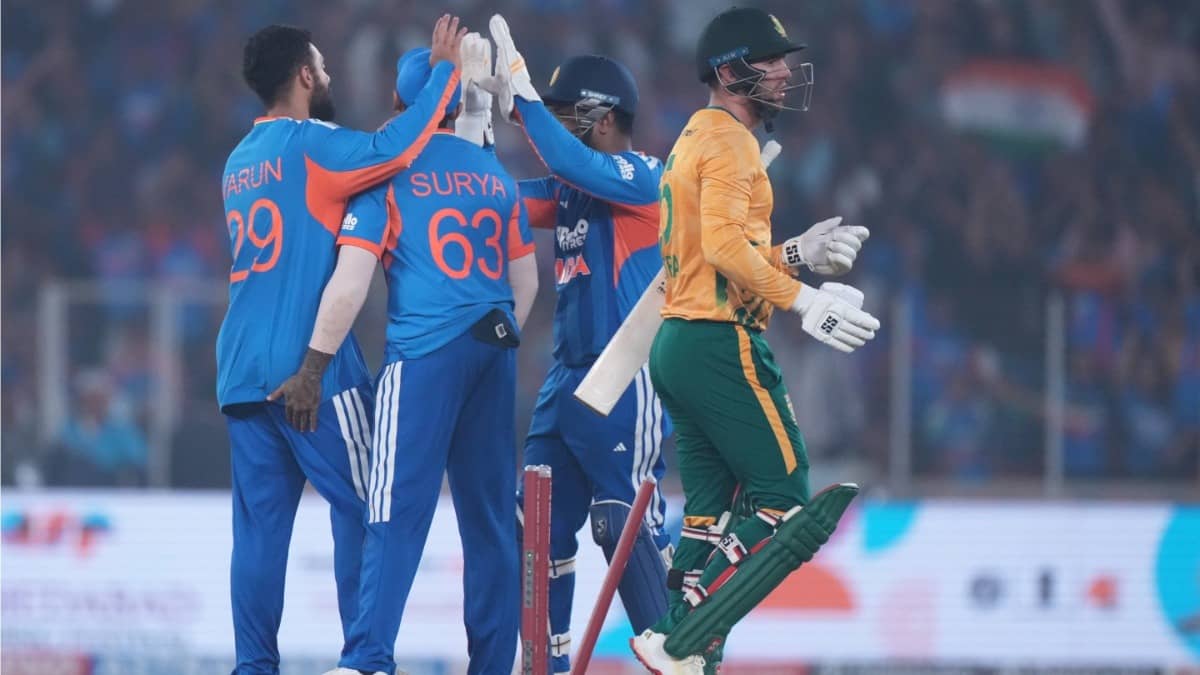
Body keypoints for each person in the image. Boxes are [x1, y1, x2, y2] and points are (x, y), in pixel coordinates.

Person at [274, 36, 538, 675]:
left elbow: (351, 281)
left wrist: (313, 364)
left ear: (401, 102)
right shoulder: (494, 174)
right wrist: (493, 334)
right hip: (493, 350)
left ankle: (366, 659)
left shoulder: (389, 171)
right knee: (491, 522)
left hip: (423, 355)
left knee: (393, 509)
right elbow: (525, 285)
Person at [628, 7, 879, 673]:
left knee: (709, 513)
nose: (785, 71)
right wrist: (804, 302)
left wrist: (797, 253)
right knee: (784, 495)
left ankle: (679, 643)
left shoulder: (697, 134)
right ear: (731, 70)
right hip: (718, 341)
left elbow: (722, 248)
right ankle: (683, 638)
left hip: (679, 342)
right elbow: (723, 248)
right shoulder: (733, 141)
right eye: (770, 61)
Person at [216, 17, 464, 675]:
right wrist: (444, 74)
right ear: (304, 76)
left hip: (240, 366)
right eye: (322, 69)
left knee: (259, 534)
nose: (327, 78)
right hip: (311, 369)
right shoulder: (315, 145)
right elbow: (398, 146)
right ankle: (363, 660)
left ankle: (253, 665)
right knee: (367, 502)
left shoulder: (237, 161)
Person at [482, 15, 671, 672]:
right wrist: (470, 130)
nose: (556, 126)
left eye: (568, 114)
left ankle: (676, 651)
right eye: (552, 113)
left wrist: (522, 92)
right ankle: (547, 664)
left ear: (601, 116)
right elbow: (497, 199)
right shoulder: (573, 187)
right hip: (567, 379)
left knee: (618, 525)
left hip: (627, 371)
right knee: (534, 527)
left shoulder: (646, 177)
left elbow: (563, 159)